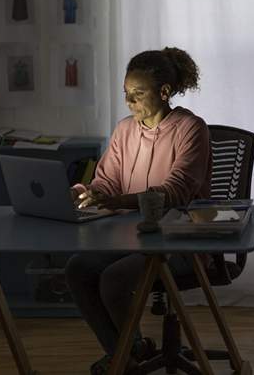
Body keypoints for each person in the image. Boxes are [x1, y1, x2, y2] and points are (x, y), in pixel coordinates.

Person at [65, 47, 213, 374]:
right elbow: (107, 181)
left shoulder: (191, 129)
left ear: (164, 92)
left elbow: (174, 192)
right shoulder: (124, 129)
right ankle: (129, 351)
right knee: (77, 267)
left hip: (180, 240)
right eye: (126, 94)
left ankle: (124, 357)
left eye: (137, 94)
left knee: (115, 279)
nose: (130, 102)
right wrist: (86, 192)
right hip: (130, 237)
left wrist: (116, 202)